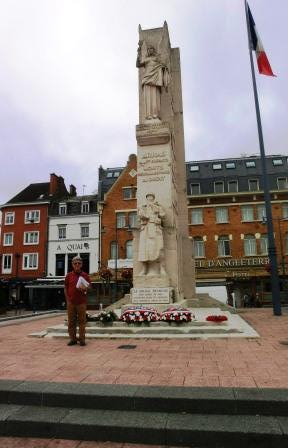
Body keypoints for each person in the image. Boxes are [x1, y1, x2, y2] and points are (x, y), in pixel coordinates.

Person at [136, 43, 170, 121]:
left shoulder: (156, 58)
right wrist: (138, 52)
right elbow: (138, 64)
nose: (149, 50)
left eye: (151, 49)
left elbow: (163, 66)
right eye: (148, 49)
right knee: (148, 98)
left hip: (155, 81)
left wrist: (164, 69)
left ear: (153, 50)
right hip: (147, 79)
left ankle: (156, 115)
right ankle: (148, 116)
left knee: (155, 98)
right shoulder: (146, 59)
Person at [64, 256, 91, 346]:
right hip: (71, 302)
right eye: (75, 263)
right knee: (71, 322)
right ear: (72, 264)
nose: (77, 265)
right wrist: (67, 299)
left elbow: (89, 287)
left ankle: (82, 339)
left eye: (79, 263)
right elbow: (65, 287)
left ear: (81, 264)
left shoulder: (85, 275)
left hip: (81, 303)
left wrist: (85, 288)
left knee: (82, 321)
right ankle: (73, 339)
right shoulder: (68, 275)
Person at [138, 193, 166, 276]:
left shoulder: (158, 206)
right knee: (144, 250)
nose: (150, 199)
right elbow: (140, 216)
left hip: (155, 228)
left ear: (153, 199)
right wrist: (143, 214)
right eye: (148, 198)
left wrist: (156, 209)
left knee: (159, 248)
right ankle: (144, 268)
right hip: (145, 229)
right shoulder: (143, 207)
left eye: (151, 198)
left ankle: (162, 268)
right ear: (146, 199)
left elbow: (163, 215)